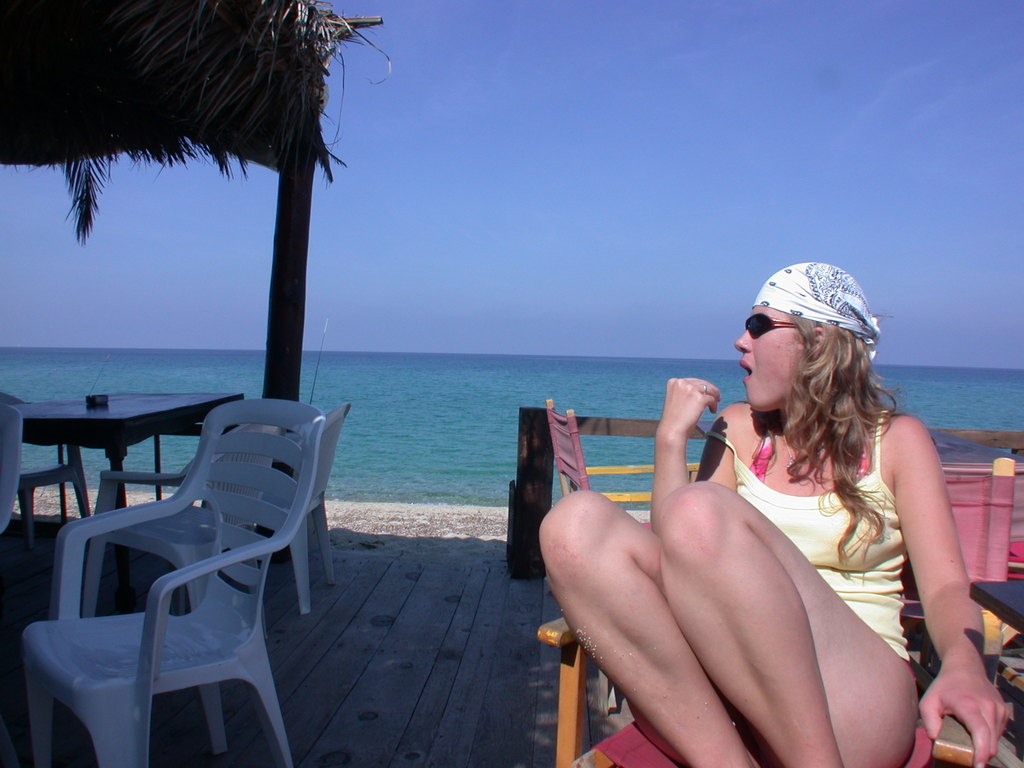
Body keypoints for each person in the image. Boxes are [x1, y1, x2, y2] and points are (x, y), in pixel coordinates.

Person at [539, 263, 1007, 768]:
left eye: (759, 325)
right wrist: (670, 437)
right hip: (728, 704)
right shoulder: (738, 429)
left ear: (818, 341)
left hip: (847, 699)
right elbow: (672, 550)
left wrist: (964, 666)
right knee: (573, 525)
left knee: (700, 510)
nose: (740, 340)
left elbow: (945, 587)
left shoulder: (896, 442)